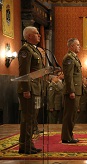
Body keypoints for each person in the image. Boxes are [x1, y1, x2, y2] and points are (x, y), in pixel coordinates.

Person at [17, 26, 43, 154]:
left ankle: (29, 143)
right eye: (36, 33)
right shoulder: (25, 50)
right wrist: (26, 89)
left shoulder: (35, 50)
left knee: (33, 118)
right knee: (27, 117)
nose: (39, 35)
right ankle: (24, 146)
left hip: (36, 90)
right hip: (30, 91)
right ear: (28, 36)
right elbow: (24, 72)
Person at [61, 38, 82, 144]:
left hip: (76, 90)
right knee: (69, 115)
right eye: (77, 45)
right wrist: (71, 91)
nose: (79, 46)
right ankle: (66, 137)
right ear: (71, 46)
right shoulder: (69, 58)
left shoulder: (74, 57)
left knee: (72, 115)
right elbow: (68, 76)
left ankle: (69, 135)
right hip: (72, 91)